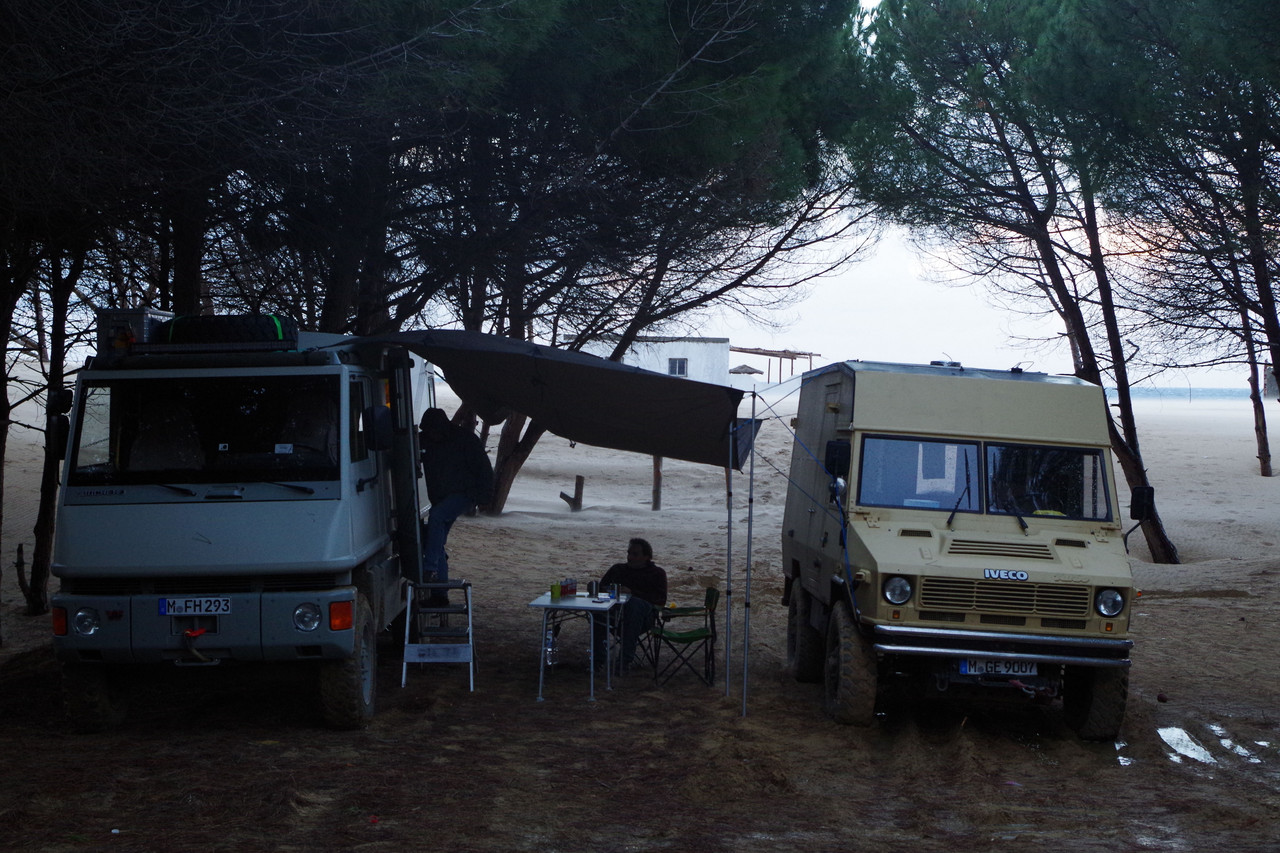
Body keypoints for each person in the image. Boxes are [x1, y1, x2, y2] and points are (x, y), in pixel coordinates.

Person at [419, 408, 495, 604]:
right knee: (435, 539)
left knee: (436, 517)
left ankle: (430, 569)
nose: (431, 436)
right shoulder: (425, 440)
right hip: (441, 497)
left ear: (442, 428)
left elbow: (484, 469)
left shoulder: (465, 440)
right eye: (428, 432)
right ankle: (439, 595)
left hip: (465, 494)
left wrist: (484, 497)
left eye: (433, 432)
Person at [595, 537, 668, 673]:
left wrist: (632, 592)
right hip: (613, 615)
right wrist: (603, 589)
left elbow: (660, 600)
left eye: (635, 554)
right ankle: (598, 659)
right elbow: (601, 588)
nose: (629, 557)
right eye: (629, 553)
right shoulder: (618, 569)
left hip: (643, 618)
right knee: (595, 610)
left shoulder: (657, 573)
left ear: (646, 557)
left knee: (634, 604)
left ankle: (624, 661)